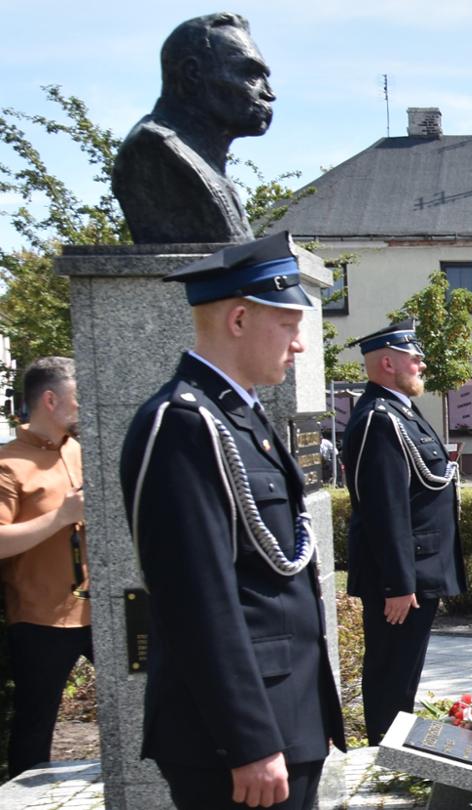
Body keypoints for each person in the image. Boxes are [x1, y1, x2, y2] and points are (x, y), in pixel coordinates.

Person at [118, 233, 344, 809]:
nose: (299, 345)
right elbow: (197, 599)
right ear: (240, 318)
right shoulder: (182, 423)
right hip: (237, 742)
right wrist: (248, 741)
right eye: (290, 325)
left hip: (286, 717)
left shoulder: (239, 416)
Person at [342, 319, 465, 747]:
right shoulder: (379, 419)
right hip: (400, 580)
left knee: (404, 674)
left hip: (416, 571)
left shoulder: (400, 412)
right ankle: (385, 755)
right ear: (389, 362)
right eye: (416, 360)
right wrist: (398, 581)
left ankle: (399, 751)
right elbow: (383, 508)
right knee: (391, 675)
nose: (423, 367)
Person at [0, 357, 92, 778]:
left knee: (145, 704)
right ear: (50, 399)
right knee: (35, 727)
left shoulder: (83, 449)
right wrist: (59, 517)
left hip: (105, 611)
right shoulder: (8, 463)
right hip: (40, 619)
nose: (85, 405)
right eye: (77, 397)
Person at [111, 13, 273, 244]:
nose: (269, 93)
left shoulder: (208, 163)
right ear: (193, 73)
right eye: (250, 74)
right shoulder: (156, 151)